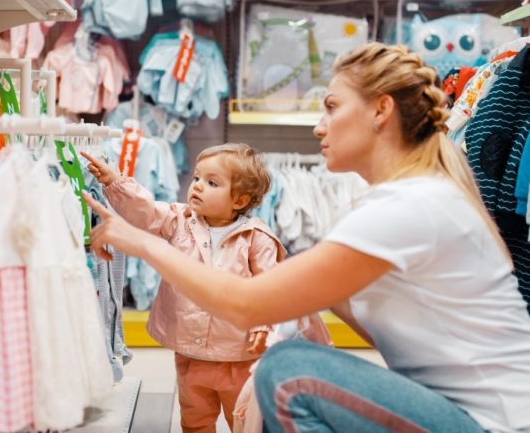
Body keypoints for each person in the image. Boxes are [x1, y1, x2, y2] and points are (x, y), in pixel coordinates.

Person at [84, 43, 530, 432]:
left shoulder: (409, 206)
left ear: (381, 110)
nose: (320, 126)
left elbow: (245, 303)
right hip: (456, 411)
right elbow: (356, 317)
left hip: (490, 422)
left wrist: (142, 242)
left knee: (287, 372)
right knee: (286, 361)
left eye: (332, 107)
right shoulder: (412, 197)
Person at [81, 144, 295, 432]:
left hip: (239, 355)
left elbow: (270, 288)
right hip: (191, 355)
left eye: (212, 182)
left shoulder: (257, 238)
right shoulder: (178, 221)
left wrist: (264, 324)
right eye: (196, 178)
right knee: (195, 420)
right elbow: (144, 210)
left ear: (239, 200)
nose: (197, 187)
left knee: (244, 420)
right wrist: (113, 181)